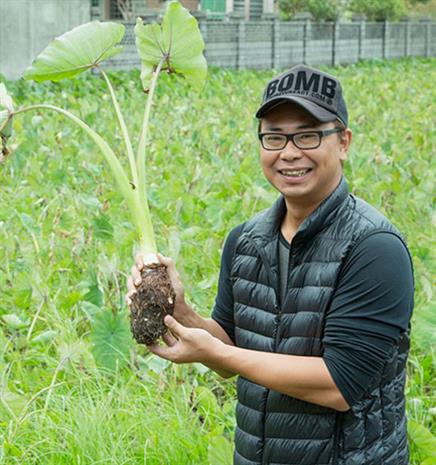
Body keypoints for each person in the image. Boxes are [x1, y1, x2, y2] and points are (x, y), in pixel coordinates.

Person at [126, 64, 414, 465]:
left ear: (344, 142)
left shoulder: (374, 247)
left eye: (308, 135)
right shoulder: (244, 240)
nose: (289, 152)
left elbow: (339, 386)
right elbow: (229, 351)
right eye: (274, 137)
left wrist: (220, 355)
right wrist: (180, 309)